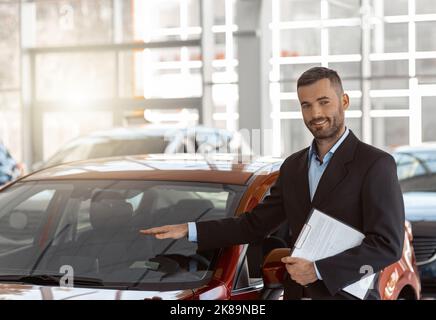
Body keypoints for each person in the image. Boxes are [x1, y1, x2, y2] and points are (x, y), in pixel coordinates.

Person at [140, 67, 405, 300]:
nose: (316, 113)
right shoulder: (293, 167)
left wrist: (318, 270)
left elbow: (387, 245)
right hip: (295, 293)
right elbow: (254, 225)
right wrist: (189, 230)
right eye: (306, 105)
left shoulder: (375, 164)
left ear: (344, 101)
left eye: (324, 102)